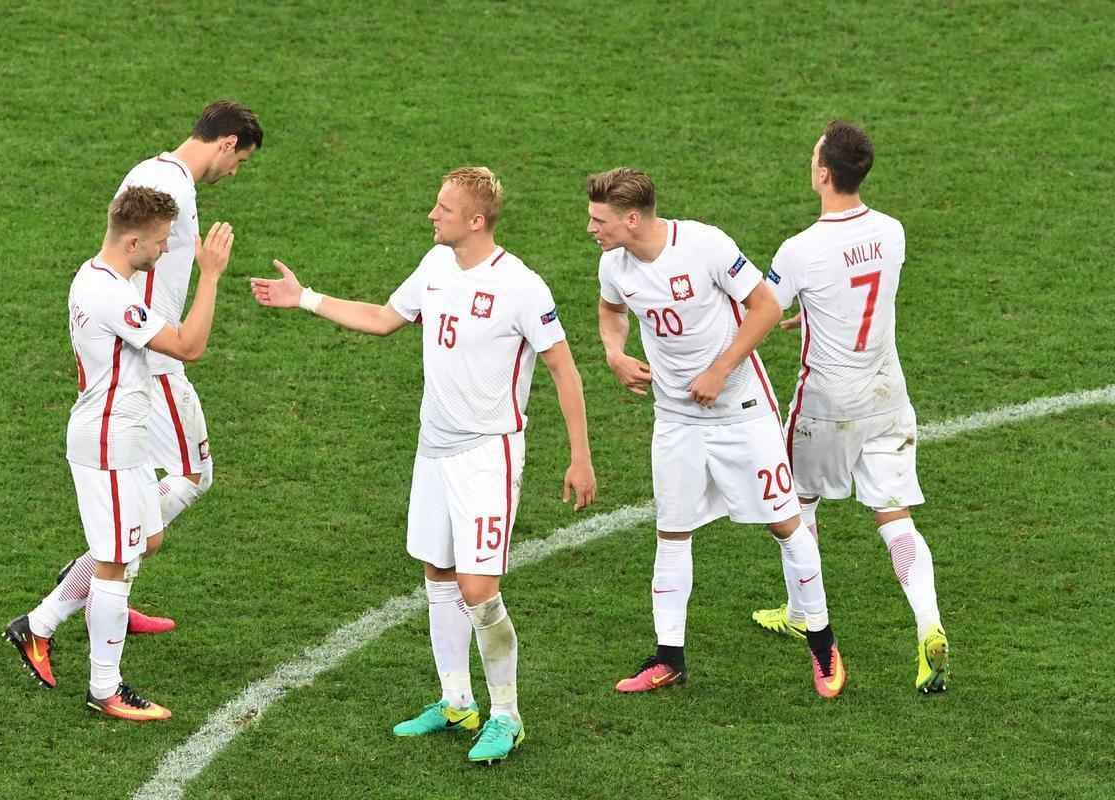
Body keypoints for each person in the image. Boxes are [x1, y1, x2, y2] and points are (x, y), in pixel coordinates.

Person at [250, 166, 597, 762]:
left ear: (476, 221)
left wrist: (580, 456)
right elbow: (385, 319)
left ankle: (507, 715)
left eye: (443, 208)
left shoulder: (522, 287)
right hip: (432, 448)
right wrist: (303, 297)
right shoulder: (435, 267)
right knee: (438, 571)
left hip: (488, 454)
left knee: (478, 587)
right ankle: (456, 701)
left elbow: (565, 368)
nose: (431, 216)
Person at [590, 167, 846, 698]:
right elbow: (611, 311)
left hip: (742, 411)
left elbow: (767, 306)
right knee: (672, 532)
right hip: (676, 419)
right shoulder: (614, 265)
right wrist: (615, 354)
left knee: (784, 524)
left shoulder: (705, 245)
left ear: (632, 218)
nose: (591, 228)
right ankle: (668, 658)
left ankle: (822, 643)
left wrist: (721, 368)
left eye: (600, 219)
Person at [3, 187, 234, 720]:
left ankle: (37, 623)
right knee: (116, 561)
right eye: (158, 242)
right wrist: (212, 275)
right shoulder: (112, 296)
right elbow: (190, 347)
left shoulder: (99, 277)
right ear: (133, 242)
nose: (164, 249)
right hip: (107, 444)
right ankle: (105, 689)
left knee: (145, 541)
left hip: (124, 440)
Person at [48, 100, 263, 636]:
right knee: (191, 476)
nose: (235, 173)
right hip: (154, 358)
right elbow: (137, 260)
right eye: (241, 162)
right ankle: (89, 584)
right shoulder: (173, 187)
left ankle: (107, 581)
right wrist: (171, 319)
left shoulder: (156, 174)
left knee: (142, 512)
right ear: (228, 142)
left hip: (145, 347)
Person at [752, 121, 948, 693]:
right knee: (894, 516)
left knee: (792, 504)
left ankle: (803, 611)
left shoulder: (800, 249)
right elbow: (859, 292)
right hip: (887, 393)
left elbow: (760, 311)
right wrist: (809, 312)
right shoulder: (892, 232)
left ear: (823, 173)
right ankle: (929, 625)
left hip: (827, 400)